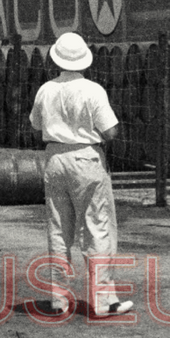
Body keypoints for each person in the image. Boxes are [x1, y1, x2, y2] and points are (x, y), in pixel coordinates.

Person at [29, 32, 133, 317]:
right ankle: (104, 301)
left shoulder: (45, 89)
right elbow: (110, 131)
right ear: (85, 60)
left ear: (56, 59)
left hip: (54, 157)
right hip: (86, 158)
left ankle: (58, 299)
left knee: (58, 228)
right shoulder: (93, 90)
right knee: (96, 228)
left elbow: (35, 127)